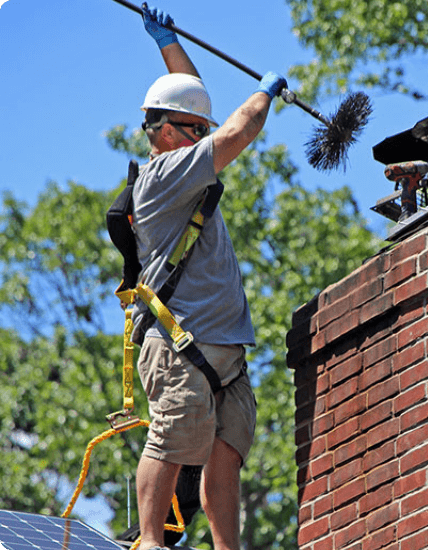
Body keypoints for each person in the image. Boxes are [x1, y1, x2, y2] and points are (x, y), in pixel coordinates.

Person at [129, 5, 287, 550]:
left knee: (226, 453)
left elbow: (188, 91)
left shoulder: (183, 155)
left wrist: (167, 45)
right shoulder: (164, 175)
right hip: (180, 342)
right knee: (172, 438)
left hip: (225, 350)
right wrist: (265, 93)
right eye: (196, 130)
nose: (205, 138)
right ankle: (150, 541)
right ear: (167, 132)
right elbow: (241, 127)